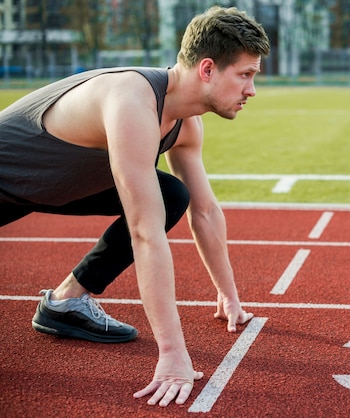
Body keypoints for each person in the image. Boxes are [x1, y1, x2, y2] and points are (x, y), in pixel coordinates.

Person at [0, 6, 270, 407]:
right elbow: (146, 231)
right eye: (245, 75)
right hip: (9, 183)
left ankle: (67, 302)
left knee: (172, 195)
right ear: (208, 69)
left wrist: (229, 296)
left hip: (52, 187)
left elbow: (205, 211)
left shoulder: (186, 123)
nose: (251, 89)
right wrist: (173, 353)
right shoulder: (132, 99)